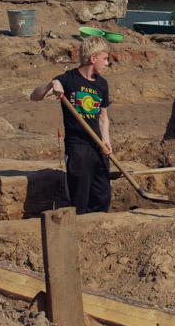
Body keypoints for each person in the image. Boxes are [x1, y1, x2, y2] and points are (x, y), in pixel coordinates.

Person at [30, 35, 113, 214]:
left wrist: (106, 140)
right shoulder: (68, 80)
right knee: (79, 199)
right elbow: (34, 96)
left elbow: (103, 115)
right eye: (105, 59)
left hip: (97, 147)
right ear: (93, 58)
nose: (107, 63)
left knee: (103, 196)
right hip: (78, 148)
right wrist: (50, 85)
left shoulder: (102, 84)